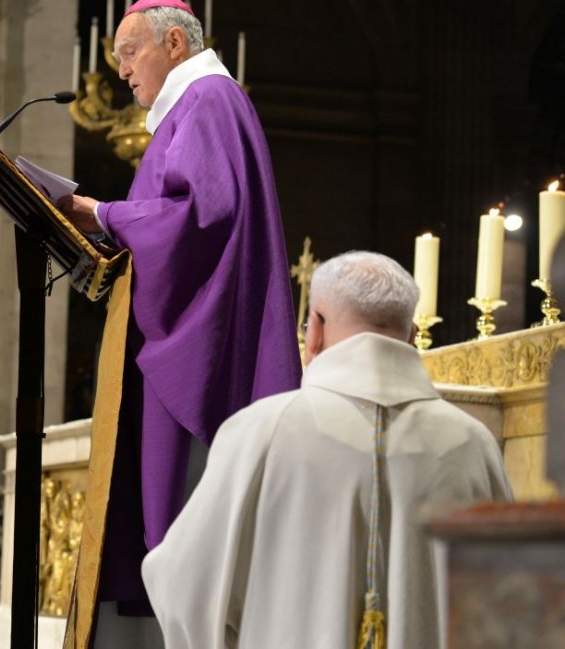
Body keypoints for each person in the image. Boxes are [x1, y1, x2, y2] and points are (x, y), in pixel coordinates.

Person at [58, 0, 302, 636]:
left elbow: (201, 215)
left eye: (129, 52)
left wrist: (105, 214)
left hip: (200, 341)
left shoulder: (208, 100)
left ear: (173, 44)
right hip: (192, 324)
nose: (122, 71)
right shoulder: (195, 106)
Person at [142, 251, 513, 648]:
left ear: (314, 328)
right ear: (410, 337)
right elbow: (510, 601)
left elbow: (185, 584)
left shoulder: (260, 432)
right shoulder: (474, 444)